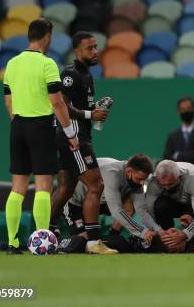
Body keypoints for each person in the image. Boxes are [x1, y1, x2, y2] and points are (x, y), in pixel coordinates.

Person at [3, 18, 79, 254]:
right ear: (47, 37)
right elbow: (57, 102)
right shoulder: (47, 64)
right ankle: (44, 241)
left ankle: (12, 242)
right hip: (41, 126)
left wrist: (18, 123)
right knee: (44, 185)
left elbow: (8, 99)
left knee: (17, 187)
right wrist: (70, 132)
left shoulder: (12, 63)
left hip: (18, 126)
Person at [49, 31, 116, 255]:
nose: (95, 51)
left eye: (96, 47)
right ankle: (93, 241)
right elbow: (61, 105)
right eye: (90, 48)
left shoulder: (86, 74)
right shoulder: (70, 73)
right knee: (96, 185)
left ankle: (45, 232)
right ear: (77, 50)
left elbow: (78, 105)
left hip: (77, 135)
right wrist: (90, 115)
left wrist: (95, 108)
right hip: (74, 137)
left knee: (66, 189)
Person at [63, 155, 158, 248]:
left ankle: (112, 236)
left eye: (144, 180)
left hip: (99, 204)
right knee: (83, 242)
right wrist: (143, 232)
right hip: (75, 204)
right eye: (139, 179)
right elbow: (116, 210)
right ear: (129, 172)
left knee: (130, 203)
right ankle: (58, 244)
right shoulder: (112, 173)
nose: (142, 183)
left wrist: (159, 231)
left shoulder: (135, 180)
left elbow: (141, 210)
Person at [143, 160, 194, 253]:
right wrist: (159, 231)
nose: (167, 188)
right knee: (160, 206)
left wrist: (184, 234)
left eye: (170, 184)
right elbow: (148, 211)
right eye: (163, 185)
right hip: (173, 202)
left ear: (180, 177)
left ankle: (189, 244)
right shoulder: (155, 181)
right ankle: (168, 241)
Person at [163, 97, 194, 172]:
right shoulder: (172, 135)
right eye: (183, 109)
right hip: (177, 177)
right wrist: (192, 154)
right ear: (178, 112)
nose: (186, 111)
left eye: (189, 108)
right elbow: (167, 158)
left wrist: (177, 155)